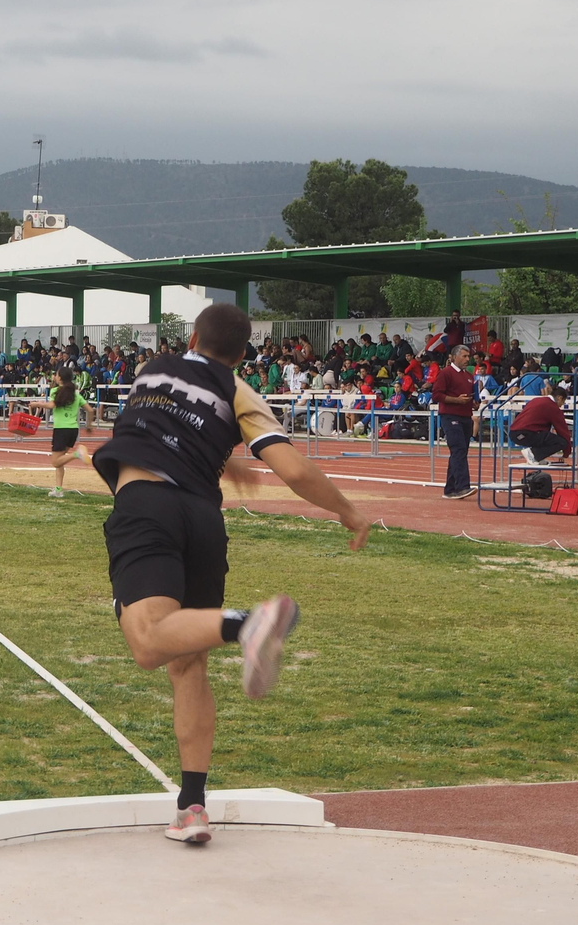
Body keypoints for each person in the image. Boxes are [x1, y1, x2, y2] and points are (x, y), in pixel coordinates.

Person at [91, 303, 370, 846]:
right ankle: (191, 806)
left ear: (192, 337)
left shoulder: (150, 368)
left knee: (148, 643)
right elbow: (291, 468)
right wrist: (348, 511)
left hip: (146, 505)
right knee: (187, 661)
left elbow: (157, 428)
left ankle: (247, 623)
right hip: (203, 520)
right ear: (242, 355)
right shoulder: (240, 392)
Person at [26, 367, 89, 497]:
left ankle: (77, 454)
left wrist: (37, 404)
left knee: (55, 461)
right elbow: (90, 409)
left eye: (56, 374)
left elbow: (51, 405)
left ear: (60, 378)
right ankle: (58, 489)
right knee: (60, 460)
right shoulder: (76, 394)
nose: (54, 376)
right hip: (73, 429)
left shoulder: (56, 390)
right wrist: (89, 425)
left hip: (61, 429)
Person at [433, 344, 476, 499]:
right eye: (464, 356)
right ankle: (462, 487)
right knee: (458, 449)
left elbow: (469, 396)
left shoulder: (469, 376)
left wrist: (474, 402)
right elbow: (436, 395)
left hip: (466, 417)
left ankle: (450, 489)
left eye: (468, 356)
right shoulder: (445, 373)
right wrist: (457, 400)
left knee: (460, 452)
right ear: (454, 357)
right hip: (450, 416)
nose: (467, 359)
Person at [511, 382, 572, 464]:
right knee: (561, 442)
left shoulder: (536, 400)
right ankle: (533, 454)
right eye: (563, 402)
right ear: (559, 398)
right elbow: (563, 431)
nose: (561, 405)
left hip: (514, 432)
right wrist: (566, 452)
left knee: (543, 436)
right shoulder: (553, 407)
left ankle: (536, 457)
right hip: (526, 433)